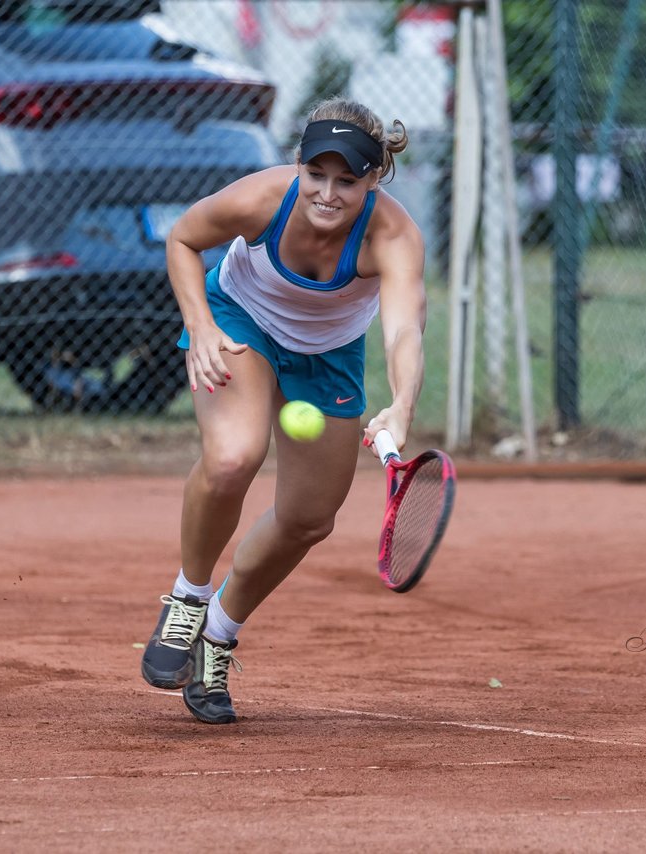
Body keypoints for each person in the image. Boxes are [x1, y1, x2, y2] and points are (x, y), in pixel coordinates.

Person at [139, 97, 427, 724]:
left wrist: (402, 406)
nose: (327, 193)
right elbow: (184, 237)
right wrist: (201, 324)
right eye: (315, 174)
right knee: (235, 454)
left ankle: (217, 631)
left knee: (309, 518)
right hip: (243, 322)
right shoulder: (263, 199)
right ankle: (187, 597)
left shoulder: (395, 237)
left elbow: (405, 332)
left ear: (373, 179)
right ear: (297, 164)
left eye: (347, 180)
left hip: (328, 355)